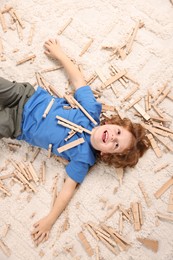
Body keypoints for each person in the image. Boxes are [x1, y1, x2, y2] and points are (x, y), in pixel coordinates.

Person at [0, 39, 150, 246]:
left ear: (106, 154)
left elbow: (67, 191)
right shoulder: (91, 110)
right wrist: (60, 54)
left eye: (115, 144)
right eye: (117, 132)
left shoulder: (83, 158)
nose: (112, 137)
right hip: (24, 97)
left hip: (17, 126)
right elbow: (78, 81)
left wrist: (50, 220)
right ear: (111, 123)